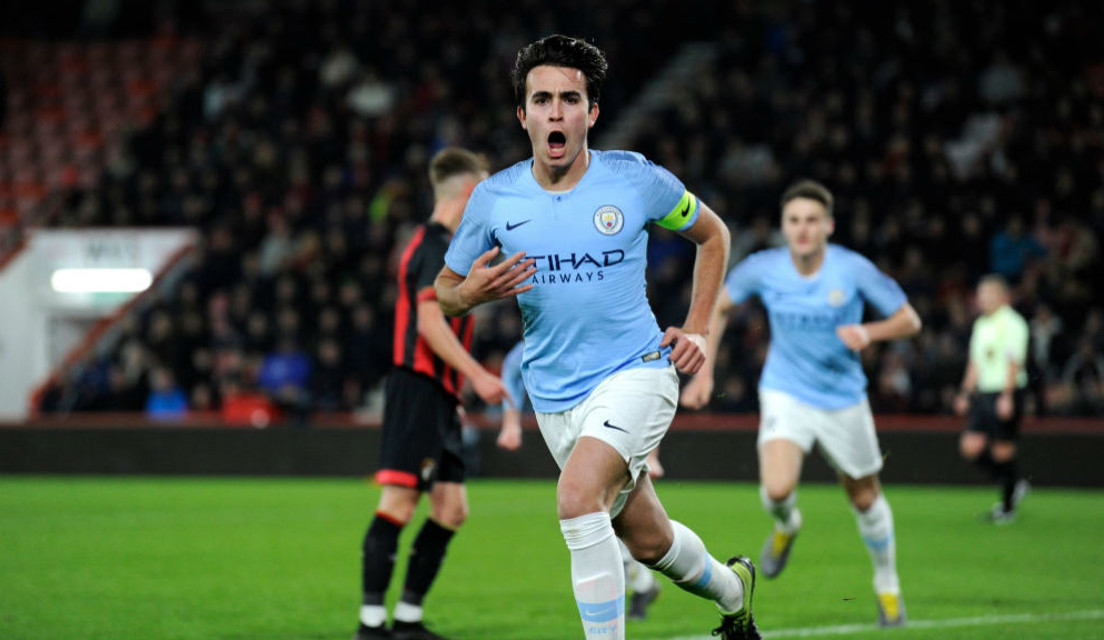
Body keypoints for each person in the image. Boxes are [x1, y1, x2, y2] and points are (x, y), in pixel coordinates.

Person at [436, 35, 759, 640]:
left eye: (569, 99)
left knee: (577, 497)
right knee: (648, 541)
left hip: (637, 370)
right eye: (542, 100)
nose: (555, 112)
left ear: (592, 113)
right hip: (555, 397)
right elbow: (446, 288)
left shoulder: (633, 180)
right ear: (522, 115)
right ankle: (733, 592)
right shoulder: (495, 199)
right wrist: (471, 294)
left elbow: (713, 236)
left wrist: (698, 328)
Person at [681, 179, 922, 628]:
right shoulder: (764, 267)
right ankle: (787, 525)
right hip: (785, 391)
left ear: (828, 225)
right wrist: (706, 370)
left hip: (843, 399)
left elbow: (910, 319)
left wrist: (870, 333)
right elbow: (719, 305)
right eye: (794, 221)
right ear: (784, 227)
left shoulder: (852, 269)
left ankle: (887, 587)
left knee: (865, 497)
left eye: (812, 220)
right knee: (776, 489)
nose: (803, 229)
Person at [356, 147, 510, 640]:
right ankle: (371, 626)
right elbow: (427, 322)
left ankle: (406, 619)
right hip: (418, 389)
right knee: (399, 503)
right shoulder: (436, 245)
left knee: (451, 509)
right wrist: (477, 374)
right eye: (483, 191)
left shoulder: (441, 245)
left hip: (439, 394)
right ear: (468, 191)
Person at [496, 340, 664, 621]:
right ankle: (643, 585)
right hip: (572, 429)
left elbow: (644, 377)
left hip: (610, 427)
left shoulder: (600, 329)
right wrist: (511, 422)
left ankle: (645, 586)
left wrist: (652, 453)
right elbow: (512, 368)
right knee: (603, 515)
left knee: (609, 517)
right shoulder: (546, 336)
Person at [953, 274, 1031, 523]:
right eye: (980, 294)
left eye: (988, 294)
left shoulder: (1013, 323)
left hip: (1005, 391)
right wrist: (965, 392)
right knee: (970, 446)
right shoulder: (981, 325)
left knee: (1002, 450)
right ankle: (1013, 483)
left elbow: (1013, 361)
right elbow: (976, 362)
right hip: (985, 393)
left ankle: (1007, 508)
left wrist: (1007, 396)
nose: (982, 299)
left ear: (1003, 296)